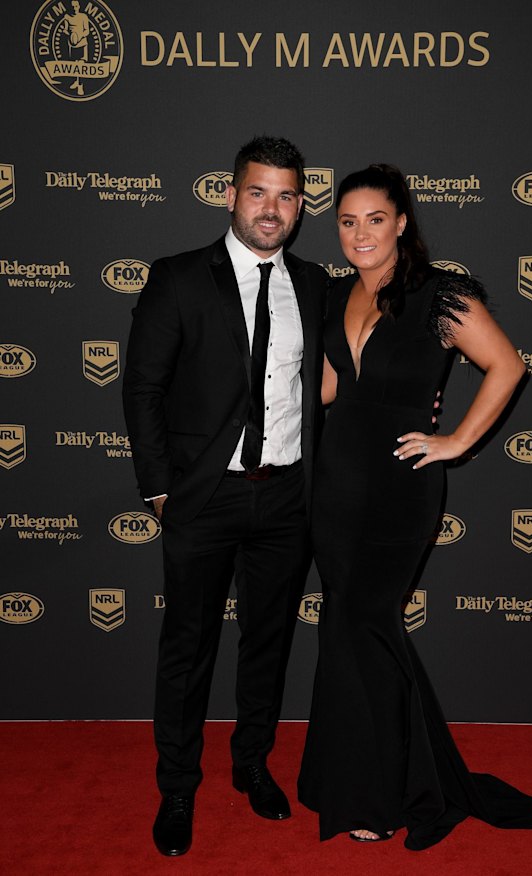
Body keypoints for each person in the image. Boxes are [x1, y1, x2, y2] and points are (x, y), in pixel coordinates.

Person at [297, 164, 532, 849]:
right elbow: (324, 391)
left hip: (401, 484)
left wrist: (458, 442)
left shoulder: (440, 295)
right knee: (346, 628)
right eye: (347, 222)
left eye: (375, 219)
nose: (361, 234)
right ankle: (354, 779)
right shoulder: (332, 295)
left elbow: (507, 365)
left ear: (402, 222)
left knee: (366, 623)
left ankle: (386, 793)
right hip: (335, 480)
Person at [123, 136, 328, 856]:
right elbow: (143, 389)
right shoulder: (179, 278)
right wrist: (159, 493)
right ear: (231, 194)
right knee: (189, 648)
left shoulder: (315, 283)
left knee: (267, 646)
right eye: (258, 192)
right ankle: (178, 786)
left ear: (301, 206)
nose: (272, 209)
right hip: (201, 500)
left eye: (287, 196)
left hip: (286, 500)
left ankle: (251, 766)